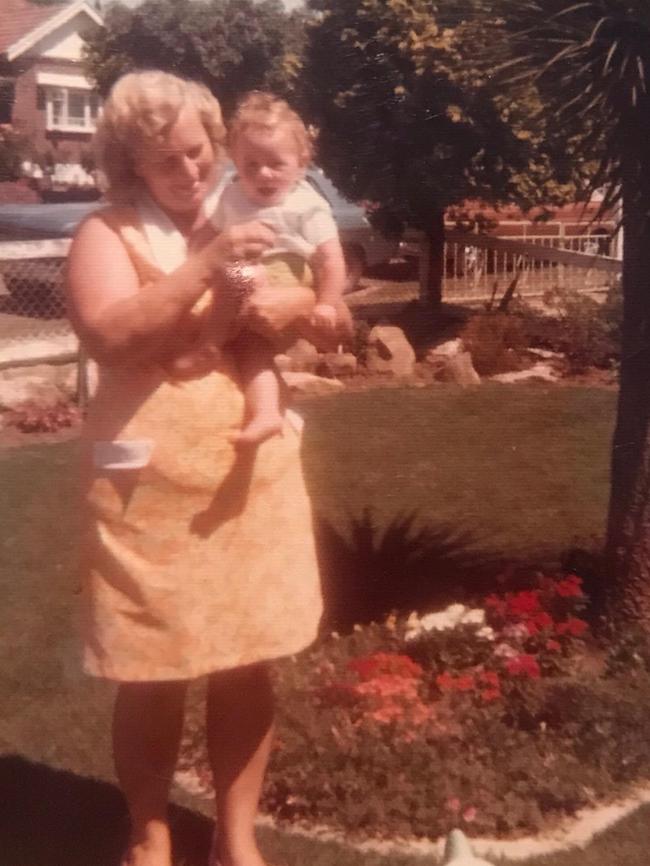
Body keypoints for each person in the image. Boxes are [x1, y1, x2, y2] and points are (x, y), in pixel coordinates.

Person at [66, 70, 349, 866]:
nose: (188, 173)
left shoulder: (258, 211)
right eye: (165, 163)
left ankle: (234, 837)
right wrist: (207, 264)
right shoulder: (109, 232)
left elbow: (331, 315)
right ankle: (149, 832)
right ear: (132, 167)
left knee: (246, 660)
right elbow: (111, 337)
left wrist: (308, 310)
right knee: (151, 666)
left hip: (246, 474)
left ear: (214, 145)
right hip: (145, 486)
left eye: (195, 153)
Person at [212, 92, 347, 446]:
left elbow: (331, 259)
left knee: (241, 282)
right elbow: (210, 242)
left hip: (290, 273)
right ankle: (267, 412)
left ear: (301, 163)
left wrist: (326, 304)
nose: (263, 174)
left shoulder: (305, 203)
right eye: (250, 165)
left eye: (275, 163)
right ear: (235, 163)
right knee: (249, 349)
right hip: (247, 280)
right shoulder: (230, 197)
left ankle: (209, 340)